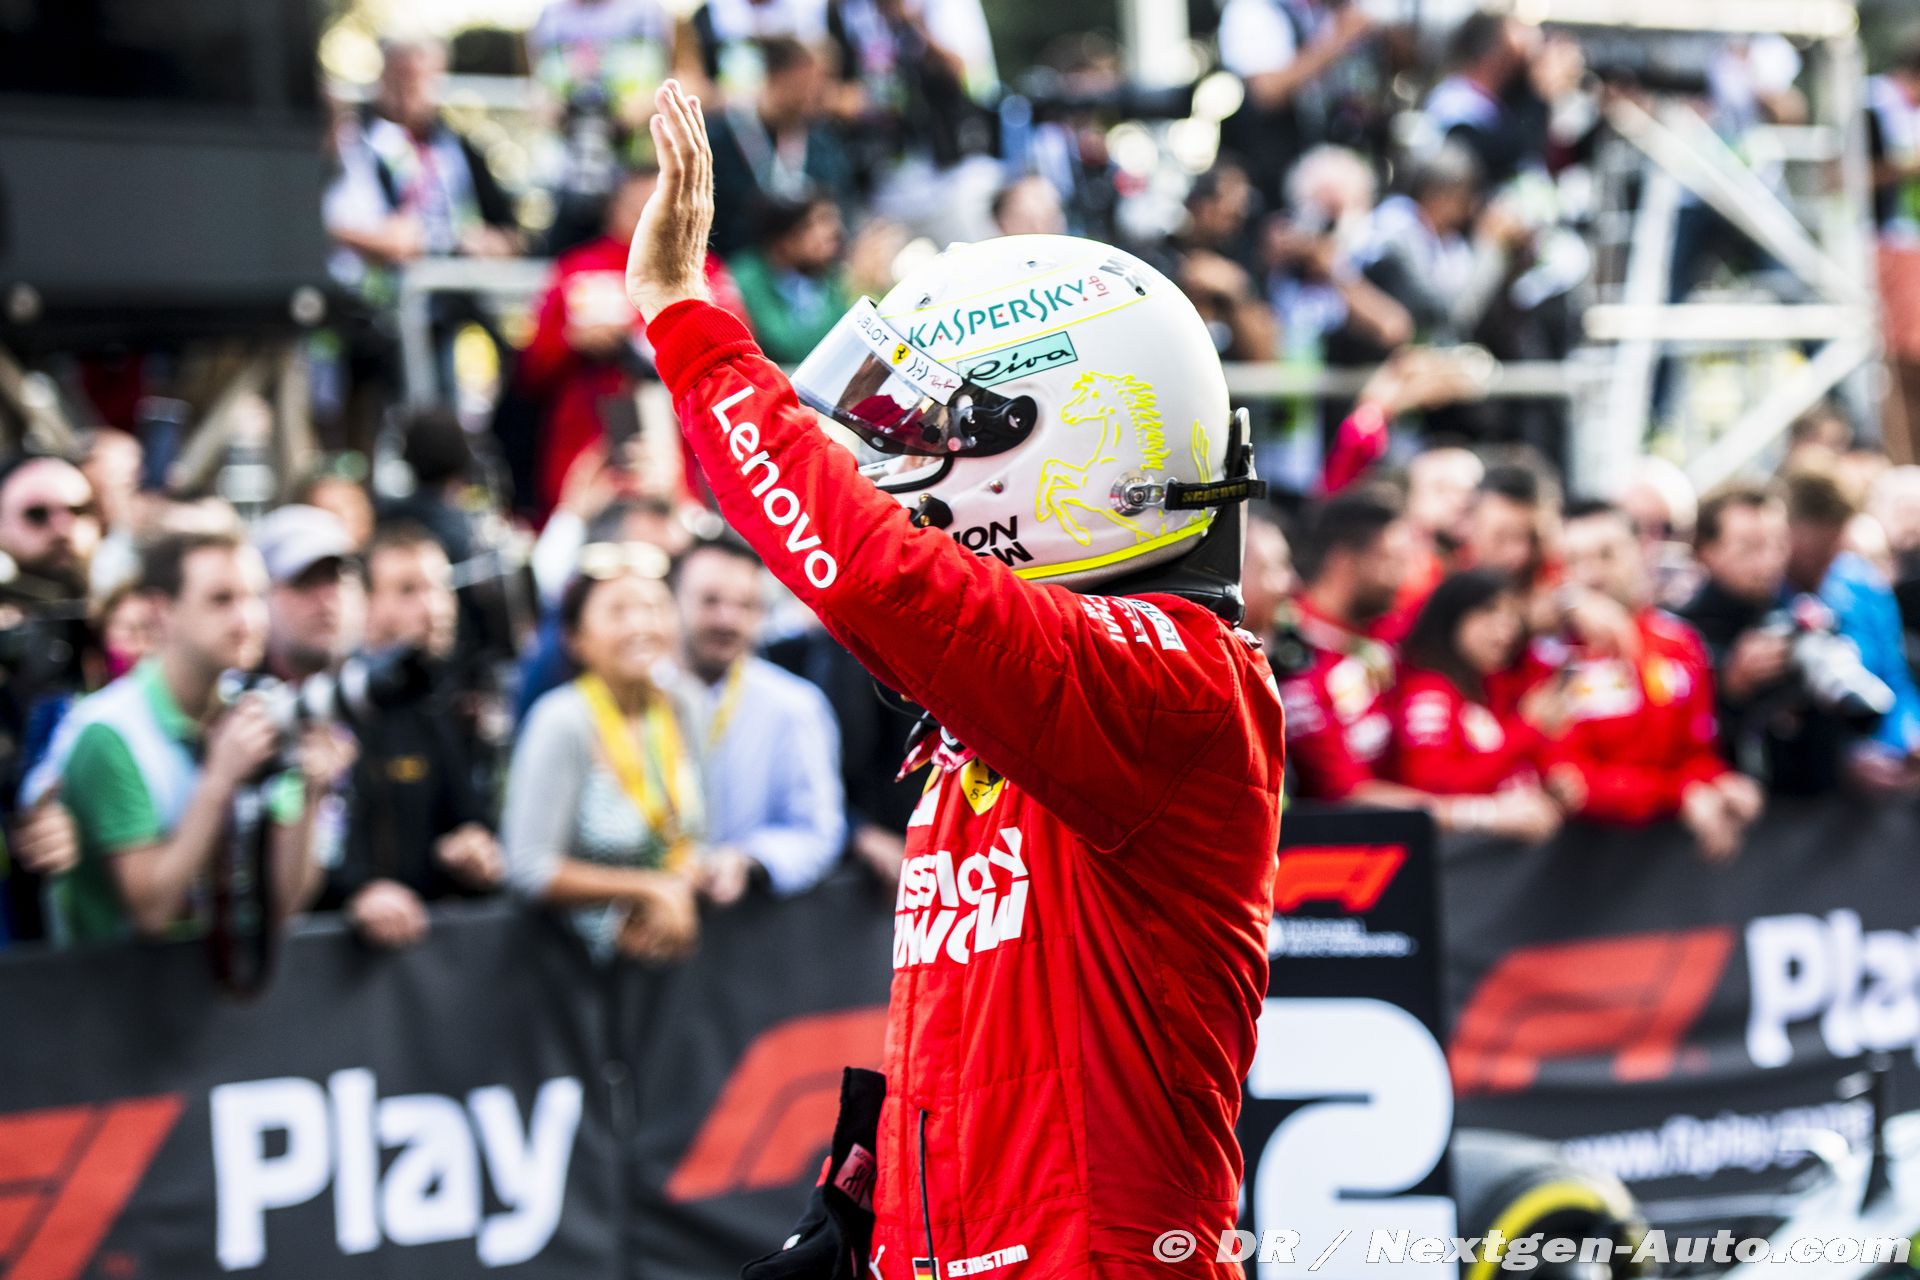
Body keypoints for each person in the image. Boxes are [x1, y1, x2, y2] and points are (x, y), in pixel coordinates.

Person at [627, 80, 1282, 1279]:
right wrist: (873, 1214)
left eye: (932, 431)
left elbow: (878, 579)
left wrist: (689, 325)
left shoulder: (1181, 686)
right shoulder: (993, 720)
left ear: (1068, 437)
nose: (894, 463)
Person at [21, 532, 347, 946]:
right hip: (116, 982)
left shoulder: (261, 708)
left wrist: (314, 790)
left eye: (254, 597)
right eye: (221, 600)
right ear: (162, 612)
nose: (247, 620)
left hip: (228, 979)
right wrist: (219, 780)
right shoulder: (110, 732)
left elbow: (285, 905)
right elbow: (151, 914)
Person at [501, 543, 703, 961]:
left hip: (668, 951)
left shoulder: (685, 703)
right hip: (571, 963)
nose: (640, 625)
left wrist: (681, 884)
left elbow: (702, 836)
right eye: (618, 611)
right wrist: (647, 888)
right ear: (576, 639)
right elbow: (528, 869)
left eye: (654, 607)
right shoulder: (561, 720)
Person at [519, 166, 751, 516]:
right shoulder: (578, 268)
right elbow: (532, 367)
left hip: (682, 435)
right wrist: (573, 341)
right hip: (589, 429)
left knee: (680, 526)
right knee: (581, 528)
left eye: (659, 205)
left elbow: (739, 359)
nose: (649, 217)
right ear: (614, 208)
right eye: (638, 206)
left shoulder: (706, 273)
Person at [1548, 502, 1760, 861]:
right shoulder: (1552, 656)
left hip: (1667, 872)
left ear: (1642, 549)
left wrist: (1722, 784)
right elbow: (1569, 782)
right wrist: (1680, 794)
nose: (1591, 574)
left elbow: (1696, 752)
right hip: (1574, 870)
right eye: (1575, 560)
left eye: (1606, 554)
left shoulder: (1681, 644)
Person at [329, 524, 503, 949]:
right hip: (336, 953)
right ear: (365, 605)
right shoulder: (334, 703)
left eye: (441, 588)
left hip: (431, 949)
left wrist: (473, 847)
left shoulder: (445, 704)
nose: (434, 608)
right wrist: (355, 890)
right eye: (408, 590)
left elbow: (468, 816)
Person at [671, 537, 845, 899]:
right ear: (673, 601)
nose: (727, 619)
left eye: (746, 605)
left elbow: (819, 832)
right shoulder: (634, 694)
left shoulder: (794, 707)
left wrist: (752, 860)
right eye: (710, 601)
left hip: (746, 914)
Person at [1679, 483, 1867, 796]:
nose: (1768, 560)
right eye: (1749, 547)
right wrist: (1729, 687)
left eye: (1778, 543)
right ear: (1705, 551)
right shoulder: (1680, 633)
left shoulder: (1806, 615)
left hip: (1812, 802)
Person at [1383, 569, 1565, 841]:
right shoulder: (1429, 694)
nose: (1506, 629)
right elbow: (1434, 788)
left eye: (1511, 616)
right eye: (1489, 612)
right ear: (1453, 617)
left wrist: (1548, 781)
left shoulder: (1484, 687)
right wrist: (1527, 730)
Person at [1280, 491, 1409, 801]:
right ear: (1344, 562)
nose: (1401, 577)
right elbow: (1345, 793)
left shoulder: (1387, 631)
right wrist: (1475, 813)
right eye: (1390, 560)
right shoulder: (1292, 655)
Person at [706, 37, 854, 259]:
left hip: (812, 270)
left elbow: (842, 204)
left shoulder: (821, 142)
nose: (816, 93)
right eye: (805, 84)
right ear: (775, 78)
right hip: (738, 265)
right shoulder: (721, 139)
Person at [727, 194, 855, 364]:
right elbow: (787, 348)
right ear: (782, 238)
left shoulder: (830, 276)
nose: (832, 233)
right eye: (816, 223)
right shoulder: (742, 282)